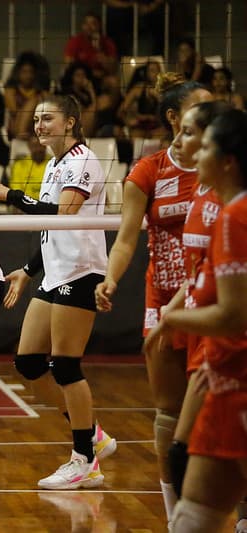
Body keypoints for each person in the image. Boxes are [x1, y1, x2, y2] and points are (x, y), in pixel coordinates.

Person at [94, 73, 212, 525]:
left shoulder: (224, 168)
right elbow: (125, 240)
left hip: (212, 303)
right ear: (173, 119)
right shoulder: (149, 171)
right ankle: (174, 516)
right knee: (168, 412)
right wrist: (110, 280)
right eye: (198, 108)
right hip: (163, 300)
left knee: (222, 409)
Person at [0, 94, 116, 490]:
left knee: (64, 366)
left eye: (48, 119)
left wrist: (7, 194)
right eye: (38, 119)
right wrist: (28, 270)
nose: (40, 125)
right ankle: (92, 433)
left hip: (81, 273)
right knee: (28, 362)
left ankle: (85, 459)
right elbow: (50, 228)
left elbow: (62, 216)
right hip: (53, 274)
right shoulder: (53, 164)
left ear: (72, 123)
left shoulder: (83, 161)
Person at [153, 109, 247, 532]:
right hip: (222, 375)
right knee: (192, 511)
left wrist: (175, 318)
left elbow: (234, 314)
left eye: (205, 144)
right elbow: (204, 283)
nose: (196, 151)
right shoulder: (220, 209)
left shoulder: (234, 217)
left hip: (237, 380)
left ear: (228, 160)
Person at [141, 100, 232, 500]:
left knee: (220, 453)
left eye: (190, 133)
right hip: (203, 333)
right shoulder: (203, 196)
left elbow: (233, 306)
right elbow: (200, 274)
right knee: (181, 446)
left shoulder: (234, 209)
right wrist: (171, 314)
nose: (178, 141)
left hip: (227, 343)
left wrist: (179, 318)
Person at [63, 12, 118, 90]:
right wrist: (91, 72)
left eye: (93, 24)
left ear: (99, 26)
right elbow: (68, 65)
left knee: (114, 82)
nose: (89, 27)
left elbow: (112, 70)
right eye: (86, 24)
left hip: (100, 80)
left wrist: (99, 50)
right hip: (81, 78)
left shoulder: (107, 43)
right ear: (82, 26)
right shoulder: (75, 41)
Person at [4, 51, 51, 140]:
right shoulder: (11, 89)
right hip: (16, 127)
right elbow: (13, 111)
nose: (28, 76)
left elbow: (48, 107)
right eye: (24, 72)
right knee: (34, 101)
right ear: (18, 73)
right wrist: (30, 105)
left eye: (31, 72)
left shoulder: (40, 91)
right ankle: (22, 132)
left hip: (38, 125)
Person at [118, 60, 165, 139]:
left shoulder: (165, 90)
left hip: (157, 127)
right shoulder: (138, 89)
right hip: (140, 126)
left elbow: (169, 113)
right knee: (137, 136)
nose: (156, 74)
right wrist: (128, 123)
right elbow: (121, 111)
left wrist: (158, 97)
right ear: (146, 73)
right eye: (152, 71)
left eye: (158, 71)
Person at [58, 62, 98, 137]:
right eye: (78, 75)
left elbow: (94, 106)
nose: (81, 78)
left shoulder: (86, 94)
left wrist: (91, 90)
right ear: (72, 77)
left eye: (83, 75)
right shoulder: (68, 93)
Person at [7, 131, 48, 200]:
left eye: (41, 145)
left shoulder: (54, 163)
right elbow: (16, 191)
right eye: (35, 146)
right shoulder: (20, 165)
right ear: (29, 147)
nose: (38, 149)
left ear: (45, 146)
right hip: (26, 205)